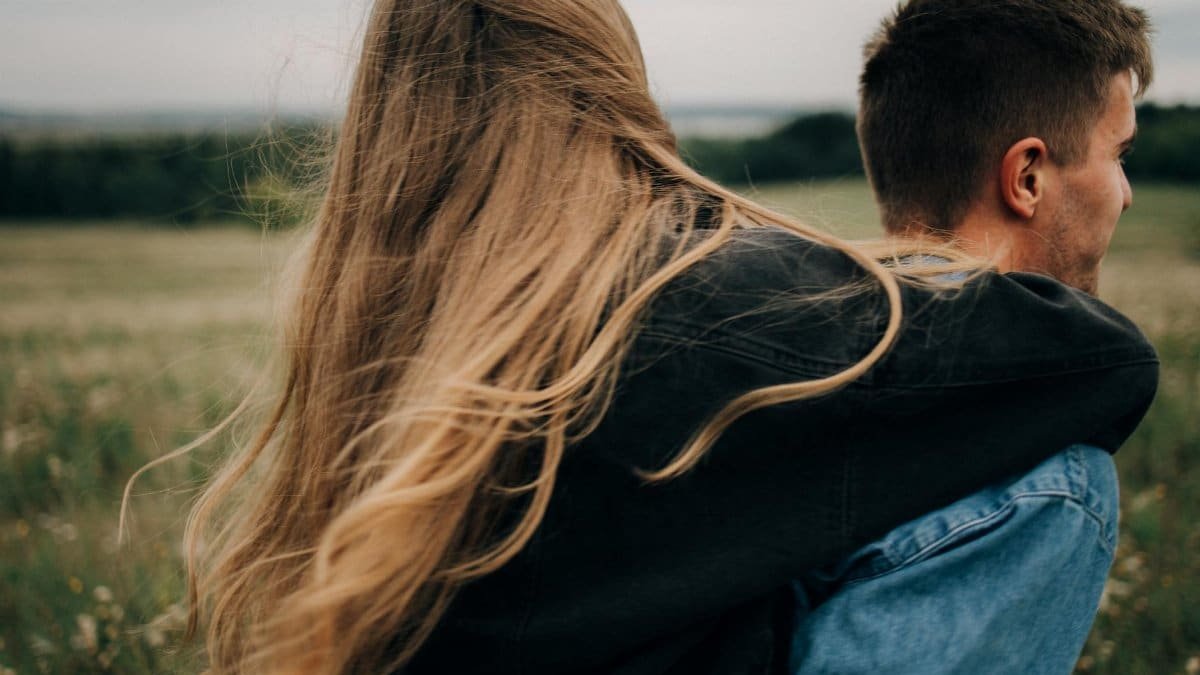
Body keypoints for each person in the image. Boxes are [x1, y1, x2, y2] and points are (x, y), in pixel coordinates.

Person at [150, 1, 1157, 673]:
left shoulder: (380, 368)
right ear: (610, 84)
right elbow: (1102, 363)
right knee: (1061, 482)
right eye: (1119, 153)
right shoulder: (696, 294)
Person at [788, 1, 1155, 673]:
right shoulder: (1046, 481)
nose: (1126, 192)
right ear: (1028, 178)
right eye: (1119, 154)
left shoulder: (773, 345)